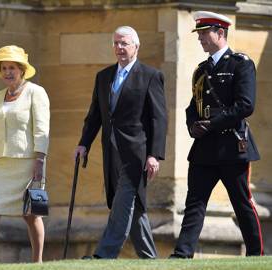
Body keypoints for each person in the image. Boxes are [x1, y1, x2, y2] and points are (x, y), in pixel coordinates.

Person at [170, 11, 263, 258]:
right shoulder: (202, 70)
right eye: (199, 34)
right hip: (204, 149)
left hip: (232, 147)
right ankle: (182, 254)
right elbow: (193, 106)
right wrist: (192, 126)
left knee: (242, 203)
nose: (200, 39)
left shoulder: (241, 64)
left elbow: (245, 105)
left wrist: (210, 124)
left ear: (219, 33)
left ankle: (255, 254)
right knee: (195, 203)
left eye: (203, 33)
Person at [74, 26, 167, 259]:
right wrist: (84, 143)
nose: (119, 48)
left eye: (124, 43)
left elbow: (159, 118)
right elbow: (95, 115)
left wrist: (154, 154)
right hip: (111, 152)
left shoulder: (150, 76)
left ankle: (104, 255)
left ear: (136, 46)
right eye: (116, 43)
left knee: (123, 199)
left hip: (137, 153)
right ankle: (150, 259)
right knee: (132, 205)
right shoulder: (103, 76)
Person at [0, 45, 50, 265]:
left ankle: (38, 261)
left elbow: (42, 129)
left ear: (22, 70)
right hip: (0, 161)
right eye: (4, 68)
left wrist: (40, 159)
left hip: (28, 161)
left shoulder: (36, 92)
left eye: (12, 68)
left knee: (31, 213)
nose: (7, 72)